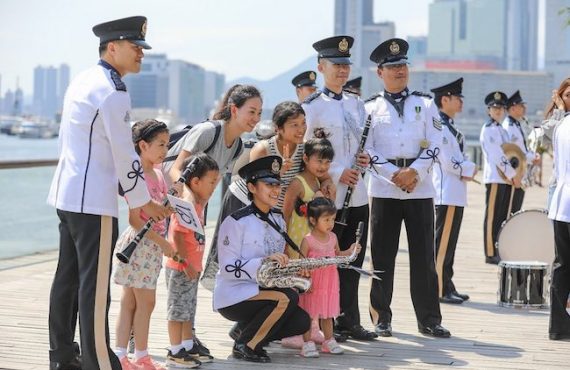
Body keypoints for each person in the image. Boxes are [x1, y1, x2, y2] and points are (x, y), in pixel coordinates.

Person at [46, 16, 171, 370]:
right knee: (95, 287)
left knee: (67, 278)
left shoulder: (83, 80)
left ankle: (62, 356)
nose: (141, 55)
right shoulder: (113, 91)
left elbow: (66, 143)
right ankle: (99, 362)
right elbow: (124, 151)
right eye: (135, 48)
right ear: (112, 47)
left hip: (67, 195)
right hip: (93, 201)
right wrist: (142, 201)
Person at [365, 38, 449, 338]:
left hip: (420, 188)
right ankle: (380, 318)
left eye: (402, 66)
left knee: (424, 257)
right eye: (392, 67)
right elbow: (367, 149)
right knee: (382, 256)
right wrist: (393, 174)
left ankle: (429, 318)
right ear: (380, 72)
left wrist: (414, 171)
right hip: (385, 191)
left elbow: (438, 142)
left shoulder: (425, 104)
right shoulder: (370, 108)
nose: (399, 71)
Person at [302, 35, 376, 342]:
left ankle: (350, 320)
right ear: (321, 67)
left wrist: (365, 159)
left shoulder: (357, 104)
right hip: (329, 197)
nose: (342, 71)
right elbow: (304, 151)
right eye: (336, 65)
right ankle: (324, 323)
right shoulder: (311, 108)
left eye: (346, 65)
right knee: (328, 263)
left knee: (354, 259)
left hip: (358, 193)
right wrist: (335, 170)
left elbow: (366, 144)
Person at [213, 156, 311, 363]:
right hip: (234, 293)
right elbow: (228, 267)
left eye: (277, 184)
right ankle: (246, 345)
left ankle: (243, 332)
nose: (276, 190)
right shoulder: (235, 222)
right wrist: (264, 261)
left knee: (302, 321)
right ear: (252, 187)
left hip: (262, 290)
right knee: (286, 298)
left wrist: (293, 273)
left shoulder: (278, 219)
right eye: (268, 185)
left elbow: (277, 265)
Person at [112, 120, 177, 370]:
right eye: (160, 144)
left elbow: (156, 211)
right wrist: (163, 242)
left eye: (167, 144)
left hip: (146, 245)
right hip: (142, 245)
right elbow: (134, 217)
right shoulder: (138, 173)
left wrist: (168, 208)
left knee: (130, 301)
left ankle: (122, 356)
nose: (165, 149)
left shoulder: (157, 173)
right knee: (145, 303)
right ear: (142, 145)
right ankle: (140, 357)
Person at [164, 154, 219, 368]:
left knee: (188, 310)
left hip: (192, 268)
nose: (214, 187)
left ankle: (187, 345)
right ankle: (175, 350)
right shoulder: (186, 206)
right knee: (177, 310)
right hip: (181, 268)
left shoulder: (197, 204)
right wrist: (185, 263)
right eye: (212, 182)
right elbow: (176, 235)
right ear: (195, 182)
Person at [430, 78, 477, 305]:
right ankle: (439, 288)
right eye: (457, 98)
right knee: (443, 244)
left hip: (455, 192)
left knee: (450, 243)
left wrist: (466, 166)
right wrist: (469, 168)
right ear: (445, 99)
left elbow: (459, 158)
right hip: (445, 192)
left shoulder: (450, 127)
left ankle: (447, 283)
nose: (460, 102)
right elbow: (448, 161)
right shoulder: (439, 126)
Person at [298, 197, 361, 358]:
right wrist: (305, 281)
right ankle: (307, 343)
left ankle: (328, 340)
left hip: (329, 282)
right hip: (313, 283)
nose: (330, 223)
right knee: (308, 314)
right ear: (313, 220)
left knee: (327, 314)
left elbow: (338, 255)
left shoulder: (332, 237)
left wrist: (351, 250)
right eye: (326, 219)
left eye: (333, 219)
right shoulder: (307, 240)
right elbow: (301, 264)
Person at [480, 91, 521, 264]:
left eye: (501, 108)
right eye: (494, 108)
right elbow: (497, 155)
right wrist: (512, 175)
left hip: (504, 178)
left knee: (501, 217)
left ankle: (498, 249)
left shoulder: (501, 129)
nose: (498, 111)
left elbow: (509, 152)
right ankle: (490, 252)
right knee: (492, 217)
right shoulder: (489, 129)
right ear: (489, 110)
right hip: (496, 178)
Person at [283, 128, 334, 255]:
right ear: (306, 159)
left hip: (313, 245)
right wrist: (284, 244)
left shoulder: (318, 183)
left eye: (328, 162)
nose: (323, 166)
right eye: (319, 161)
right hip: (296, 242)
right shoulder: (297, 183)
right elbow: (285, 214)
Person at [503, 90, 540, 212]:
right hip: (514, 174)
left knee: (516, 209)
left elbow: (522, 149)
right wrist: (531, 157)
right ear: (512, 108)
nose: (524, 108)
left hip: (520, 173)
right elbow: (512, 153)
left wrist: (533, 155)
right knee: (510, 211)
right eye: (521, 106)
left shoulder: (517, 125)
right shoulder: (508, 127)